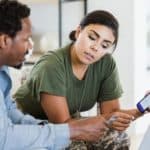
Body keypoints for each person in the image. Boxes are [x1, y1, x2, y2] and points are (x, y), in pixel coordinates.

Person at [14, 9, 142, 150]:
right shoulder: (52, 65)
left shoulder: (106, 64)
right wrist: (105, 120)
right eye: (92, 37)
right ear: (78, 32)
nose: (95, 47)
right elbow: (62, 125)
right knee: (76, 146)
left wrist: (141, 110)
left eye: (104, 45)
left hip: (69, 123)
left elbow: (112, 116)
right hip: (30, 126)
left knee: (118, 138)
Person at [0, 0, 111, 150]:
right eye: (26, 39)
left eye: (105, 45)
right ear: (4, 41)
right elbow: (4, 139)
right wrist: (73, 130)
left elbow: (10, 112)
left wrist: (42, 127)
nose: (31, 46)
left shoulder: (2, 71)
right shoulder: (52, 64)